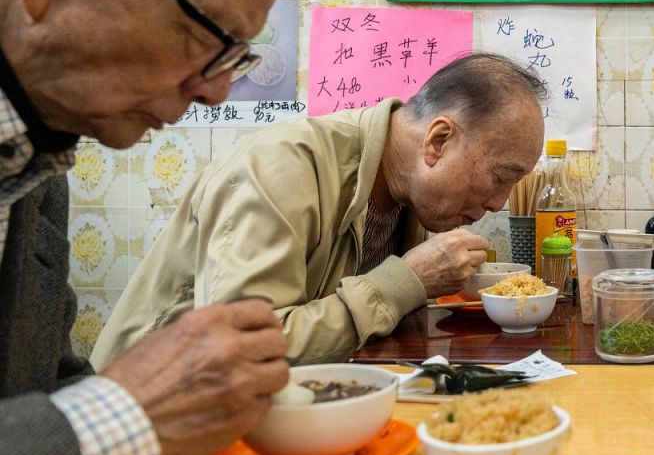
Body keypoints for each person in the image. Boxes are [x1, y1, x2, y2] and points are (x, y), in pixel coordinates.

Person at [0, 0, 297, 455]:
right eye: (213, 40)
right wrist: (129, 415)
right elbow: (88, 413)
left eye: (239, 57)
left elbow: (44, 393)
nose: (218, 90)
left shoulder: (39, 149)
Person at [92, 53, 547, 367]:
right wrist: (406, 282)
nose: (499, 203)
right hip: (154, 437)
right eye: (501, 176)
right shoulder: (282, 166)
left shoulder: (406, 190)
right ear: (438, 140)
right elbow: (240, 353)